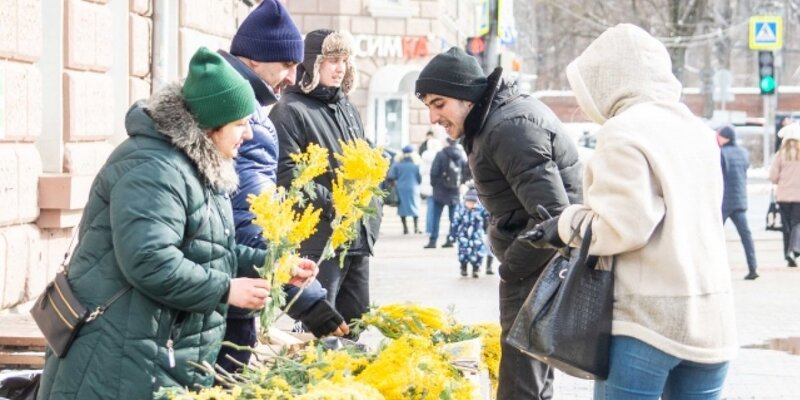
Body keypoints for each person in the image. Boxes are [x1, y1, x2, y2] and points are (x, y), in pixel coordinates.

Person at [37, 48, 317, 400]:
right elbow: (149, 259)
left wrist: (272, 265)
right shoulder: (154, 168)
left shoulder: (195, 164)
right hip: (118, 355)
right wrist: (226, 290)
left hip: (149, 349)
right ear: (210, 126)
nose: (247, 135)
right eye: (240, 124)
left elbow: (210, 247)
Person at [527, 24, 737, 399]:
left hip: (647, 324)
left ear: (606, 81)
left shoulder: (624, 130)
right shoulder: (699, 131)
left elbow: (621, 227)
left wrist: (563, 225)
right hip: (713, 320)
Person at [415, 47, 582, 399]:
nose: (433, 117)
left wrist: (511, 268)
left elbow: (553, 218)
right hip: (535, 259)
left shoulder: (508, 125)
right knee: (532, 368)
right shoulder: (497, 119)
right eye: (429, 105)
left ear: (467, 97)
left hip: (535, 262)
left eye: (439, 103)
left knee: (521, 377)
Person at [216, 0, 348, 372]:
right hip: (235, 288)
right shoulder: (247, 119)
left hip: (233, 278)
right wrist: (307, 299)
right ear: (255, 59)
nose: (292, 76)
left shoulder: (235, 105)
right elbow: (252, 221)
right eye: (287, 65)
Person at [270, 29, 382, 331]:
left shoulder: (346, 107)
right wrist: (337, 203)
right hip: (318, 242)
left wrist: (372, 205)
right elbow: (286, 176)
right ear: (311, 63)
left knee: (356, 327)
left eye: (344, 60)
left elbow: (366, 158)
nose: (340, 67)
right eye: (332, 60)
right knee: (321, 329)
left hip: (356, 237)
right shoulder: (289, 111)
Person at [716, 126, 759, 280]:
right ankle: (753, 267)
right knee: (746, 236)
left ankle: (713, 270)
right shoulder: (743, 153)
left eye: (719, 136)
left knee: (714, 236)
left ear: (725, 138)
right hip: (739, 200)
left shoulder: (720, 153)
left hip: (723, 202)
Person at [424, 137, 467, 249]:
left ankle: (433, 240)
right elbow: (466, 171)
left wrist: (435, 185)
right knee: (453, 217)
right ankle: (451, 239)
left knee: (436, 217)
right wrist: (461, 183)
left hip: (440, 190)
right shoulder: (460, 155)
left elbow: (434, 171)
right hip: (455, 190)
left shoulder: (440, 154)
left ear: (447, 143)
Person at [770, 122, 800, 268]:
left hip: (783, 196)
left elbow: (773, 177)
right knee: (797, 223)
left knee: (786, 226)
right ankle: (794, 249)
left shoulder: (780, 155)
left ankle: (788, 254)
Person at [448, 188, 492, 277]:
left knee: (478, 253)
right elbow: (455, 222)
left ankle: (476, 268)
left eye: (472, 202)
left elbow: (487, 218)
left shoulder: (480, 210)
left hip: (476, 236)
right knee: (463, 253)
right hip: (463, 237)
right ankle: (463, 267)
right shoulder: (461, 209)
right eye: (468, 202)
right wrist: (453, 235)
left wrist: (487, 228)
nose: (470, 204)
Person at [387, 144, 422, 234]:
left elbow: (391, 176)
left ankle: (405, 229)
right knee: (415, 207)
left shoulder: (397, 164)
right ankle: (416, 228)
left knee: (402, 208)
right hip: (413, 187)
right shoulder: (415, 165)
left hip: (401, 188)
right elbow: (419, 178)